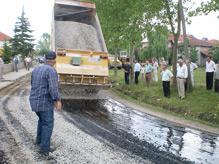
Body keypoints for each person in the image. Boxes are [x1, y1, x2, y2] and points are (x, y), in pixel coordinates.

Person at [29, 51, 62, 155]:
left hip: (34, 101)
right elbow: (53, 88)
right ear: (54, 60)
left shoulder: (36, 69)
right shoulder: (51, 70)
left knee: (42, 121)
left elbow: (32, 84)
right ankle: (44, 148)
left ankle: (39, 141)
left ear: (45, 59)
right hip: (44, 103)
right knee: (48, 124)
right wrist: (57, 100)